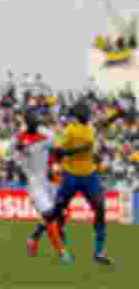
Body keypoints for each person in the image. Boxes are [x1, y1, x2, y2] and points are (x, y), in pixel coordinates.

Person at [43, 100, 114, 265]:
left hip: (90, 176)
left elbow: (103, 123)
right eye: (86, 113)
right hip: (71, 176)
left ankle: (99, 252)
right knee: (58, 210)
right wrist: (78, 150)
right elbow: (57, 151)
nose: (88, 116)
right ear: (82, 115)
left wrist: (118, 114)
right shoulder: (70, 130)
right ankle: (58, 243)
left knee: (100, 208)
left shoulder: (90, 128)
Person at [8, 109, 70, 262]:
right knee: (49, 215)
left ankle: (34, 238)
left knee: (63, 213)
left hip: (49, 179)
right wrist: (17, 168)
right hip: (34, 183)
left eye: (38, 122)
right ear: (27, 123)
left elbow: (57, 151)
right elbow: (9, 157)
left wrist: (56, 165)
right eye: (33, 122)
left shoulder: (47, 134)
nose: (37, 125)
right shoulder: (18, 138)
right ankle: (62, 252)